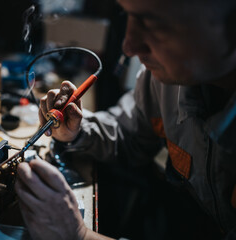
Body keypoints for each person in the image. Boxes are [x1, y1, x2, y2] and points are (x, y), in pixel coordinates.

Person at [14, 0, 236, 239]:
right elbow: (127, 133)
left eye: (153, 22)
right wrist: (77, 131)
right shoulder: (164, 81)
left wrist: (78, 235)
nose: (129, 46)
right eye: (128, 15)